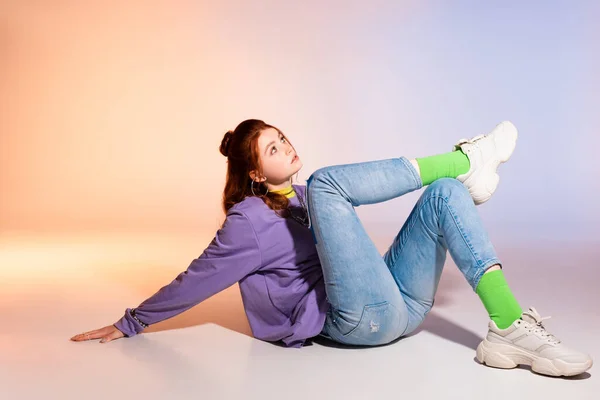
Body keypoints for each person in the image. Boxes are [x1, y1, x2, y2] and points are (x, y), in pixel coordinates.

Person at [71, 119, 592, 377]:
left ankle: (507, 328)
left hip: (402, 305)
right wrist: (132, 322)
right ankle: (463, 159)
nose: (286, 146)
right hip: (358, 323)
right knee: (329, 183)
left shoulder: (299, 197)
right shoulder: (247, 221)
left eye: (282, 136)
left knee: (446, 196)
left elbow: (353, 257)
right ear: (255, 173)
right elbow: (197, 278)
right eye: (272, 149)